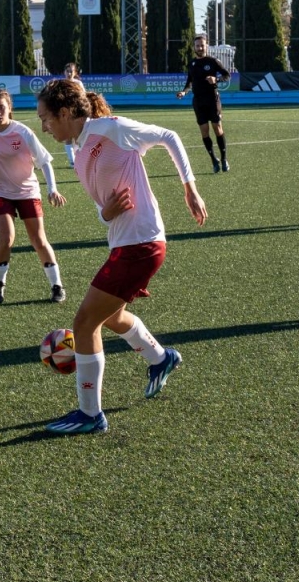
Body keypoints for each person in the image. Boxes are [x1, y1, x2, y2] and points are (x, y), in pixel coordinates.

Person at [35, 78, 207, 434]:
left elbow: (169, 136)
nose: (44, 127)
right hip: (124, 244)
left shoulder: (113, 130)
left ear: (66, 113)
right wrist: (107, 213)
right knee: (111, 318)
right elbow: (104, 210)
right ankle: (161, 359)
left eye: (46, 118)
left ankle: (89, 414)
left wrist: (189, 189)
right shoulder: (80, 154)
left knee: (84, 323)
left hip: (142, 244)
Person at [0, 88, 68, 304]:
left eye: (1, 107)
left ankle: (57, 285)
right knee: (6, 238)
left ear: (10, 108)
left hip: (27, 191)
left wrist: (52, 188)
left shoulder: (23, 133)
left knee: (38, 240)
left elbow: (45, 161)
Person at [176, 34, 231, 173]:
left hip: (213, 99)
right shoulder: (192, 64)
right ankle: (214, 160)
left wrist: (216, 79)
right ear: (194, 47)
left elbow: (227, 75)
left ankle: (224, 159)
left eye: (202, 45)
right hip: (199, 101)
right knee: (204, 131)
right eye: (197, 46)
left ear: (206, 45)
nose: (200, 48)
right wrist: (184, 92)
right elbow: (189, 82)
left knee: (217, 127)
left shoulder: (213, 61)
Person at [61, 62, 84, 167]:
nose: (69, 73)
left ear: (75, 73)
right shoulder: (60, 85)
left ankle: (79, 158)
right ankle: (72, 161)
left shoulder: (78, 84)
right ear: (64, 72)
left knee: (79, 137)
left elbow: (83, 97)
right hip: (65, 114)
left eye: (71, 71)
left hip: (77, 113)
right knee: (68, 138)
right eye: (67, 71)